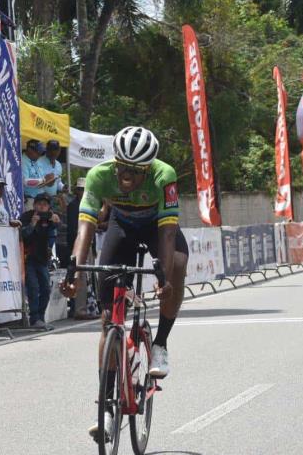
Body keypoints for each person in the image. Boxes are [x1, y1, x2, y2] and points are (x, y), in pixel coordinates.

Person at [59, 126, 188, 442]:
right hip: (122, 227)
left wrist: (165, 276)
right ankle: (105, 407)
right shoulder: (99, 176)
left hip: (157, 225)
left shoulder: (164, 175)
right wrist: (74, 271)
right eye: (121, 166)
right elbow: (85, 229)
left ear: (147, 168)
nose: (126, 174)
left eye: (134, 170)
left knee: (179, 265)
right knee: (109, 321)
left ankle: (160, 343)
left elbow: (169, 233)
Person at [19, 194, 60, 329]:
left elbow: (55, 231)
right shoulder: (26, 216)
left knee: (46, 289)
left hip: (42, 259)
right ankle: (34, 318)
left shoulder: (49, 217)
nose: (42, 206)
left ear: (48, 207)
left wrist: (56, 222)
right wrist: (32, 224)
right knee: (33, 287)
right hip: (28, 258)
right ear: (34, 205)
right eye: (40, 203)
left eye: (45, 204)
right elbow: (22, 235)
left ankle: (41, 318)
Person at [65, 178, 98, 320]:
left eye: (85, 189)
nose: (83, 192)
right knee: (81, 277)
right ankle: (80, 309)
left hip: (89, 243)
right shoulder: (73, 206)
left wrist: (93, 246)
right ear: (77, 191)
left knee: (89, 278)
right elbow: (74, 230)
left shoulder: (90, 205)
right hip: (78, 245)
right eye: (81, 189)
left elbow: (92, 227)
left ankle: (89, 307)